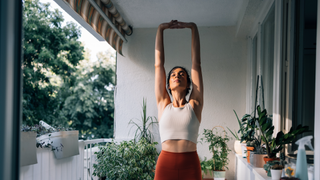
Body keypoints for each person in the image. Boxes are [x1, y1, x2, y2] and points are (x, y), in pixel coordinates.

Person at [154, 20, 203, 180]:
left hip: (190, 166)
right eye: (173, 75)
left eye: (182, 74)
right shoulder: (163, 103)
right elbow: (158, 65)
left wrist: (193, 27)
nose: (177, 76)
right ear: (167, 84)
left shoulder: (195, 105)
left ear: (189, 83)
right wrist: (161, 29)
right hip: (165, 165)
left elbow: (196, 64)